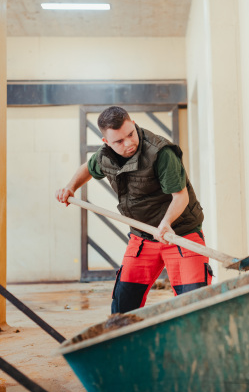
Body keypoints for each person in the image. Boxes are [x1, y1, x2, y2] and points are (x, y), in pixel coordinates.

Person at [55, 106, 213, 314]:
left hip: (180, 234)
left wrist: (166, 224)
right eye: (119, 141)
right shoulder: (105, 156)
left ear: (133, 124)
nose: (129, 143)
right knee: (122, 307)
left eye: (130, 134)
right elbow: (88, 167)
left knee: (193, 307)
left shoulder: (160, 152)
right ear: (107, 143)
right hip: (143, 237)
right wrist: (70, 187)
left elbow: (180, 196)